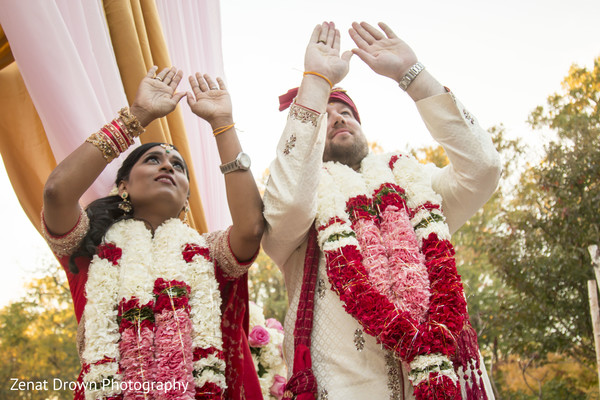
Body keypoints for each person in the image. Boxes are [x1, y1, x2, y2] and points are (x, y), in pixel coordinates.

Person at [262, 21, 502, 400]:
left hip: (444, 380)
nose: (338, 117)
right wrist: (316, 82)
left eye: (346, 112)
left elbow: (483, 169)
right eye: (324, 116)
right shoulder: (301, 210)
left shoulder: (412, 185)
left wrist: (413, 75)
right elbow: (289, 199)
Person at [42, 66, 264, 399]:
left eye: (178, 166)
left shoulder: (207, 254)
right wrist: (138, 116)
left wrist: (223, 125)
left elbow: (251, 229)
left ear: (186, 198)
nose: (167, 166)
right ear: (123, 187)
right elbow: (57, 192)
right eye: (153, 159)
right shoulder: (91, 249)